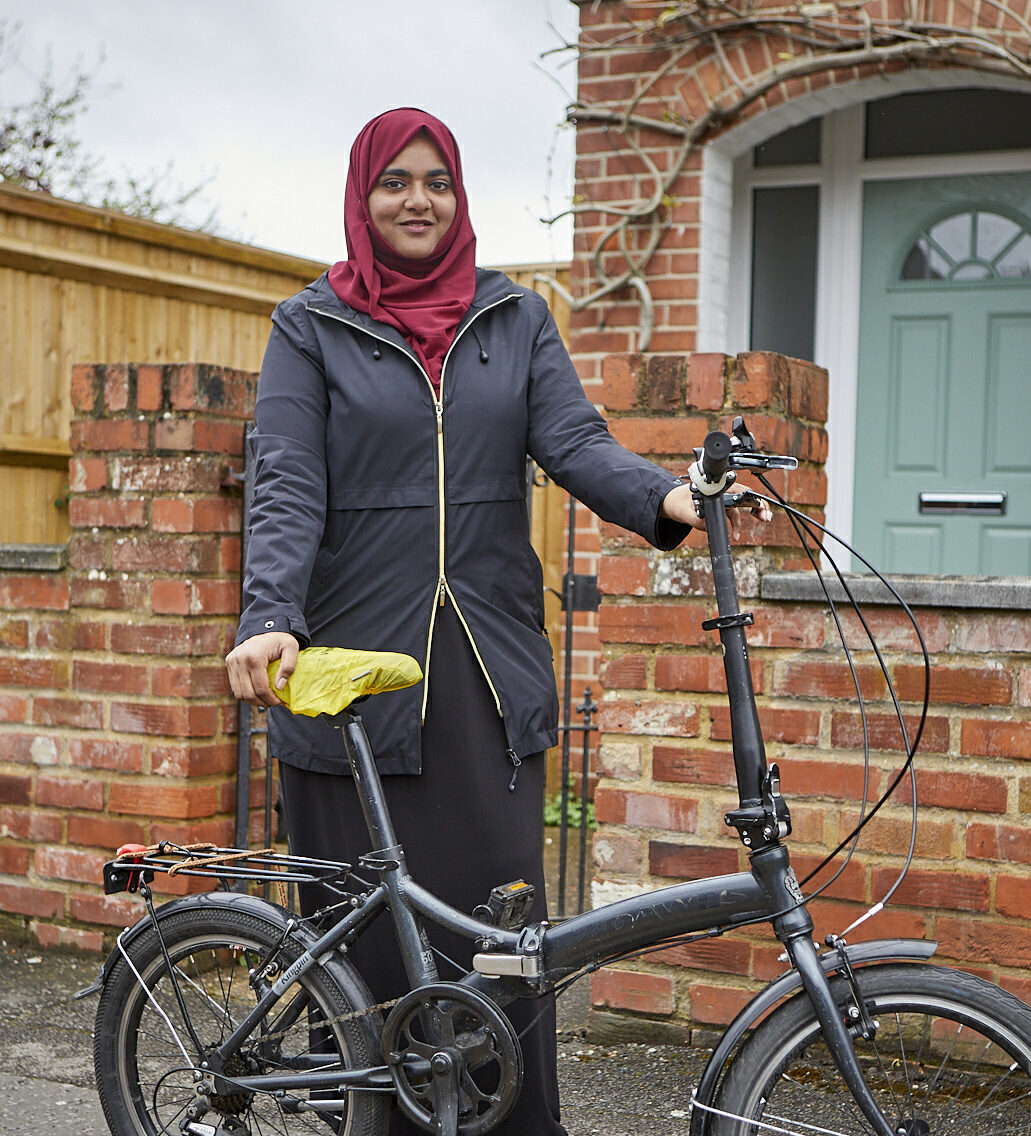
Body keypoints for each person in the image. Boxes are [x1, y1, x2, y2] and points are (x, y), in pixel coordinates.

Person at [224, 107, 700, 1135]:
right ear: (362, 194)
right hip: (355, 679)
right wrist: (270, 615)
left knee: (501, 940)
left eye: (435, 179)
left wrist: (664, 500)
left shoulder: (513, 318)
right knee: (368, 960)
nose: (416, 198)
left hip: (486, 681)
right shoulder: (309, 328)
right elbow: (286, 483)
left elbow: (574, 441)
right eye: (394, 180)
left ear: (460, 195)